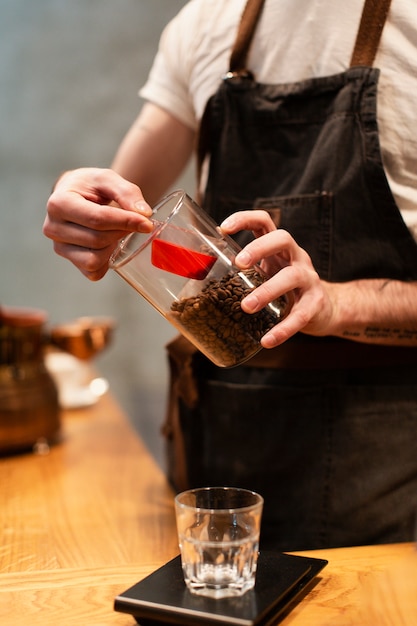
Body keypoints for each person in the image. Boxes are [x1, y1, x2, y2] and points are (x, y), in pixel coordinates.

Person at [44, 0, 417, 550]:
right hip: (219, 449)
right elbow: (123, 218)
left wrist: (336, 305)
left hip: (379, 480)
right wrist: (82, 209)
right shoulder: (206, 23)